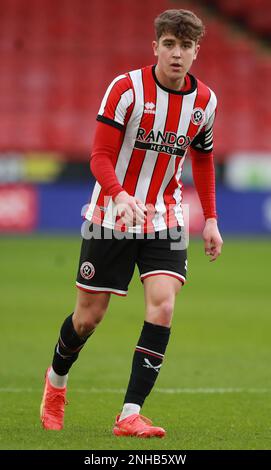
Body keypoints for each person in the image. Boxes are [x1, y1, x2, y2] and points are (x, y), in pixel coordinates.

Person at [40, 8, 223, 438]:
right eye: (169, 44)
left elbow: (203, 157)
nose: (177, 54)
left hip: (166, 217)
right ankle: (56, 383)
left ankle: (130, 413)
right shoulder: (126, 90)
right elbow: (100, 155)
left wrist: (211, 219)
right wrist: (120, 195)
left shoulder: (205, 102)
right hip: (111, 215)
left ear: (197, 51)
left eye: (186, 46)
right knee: (88, 318)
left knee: (163, 305)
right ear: (155, 45)